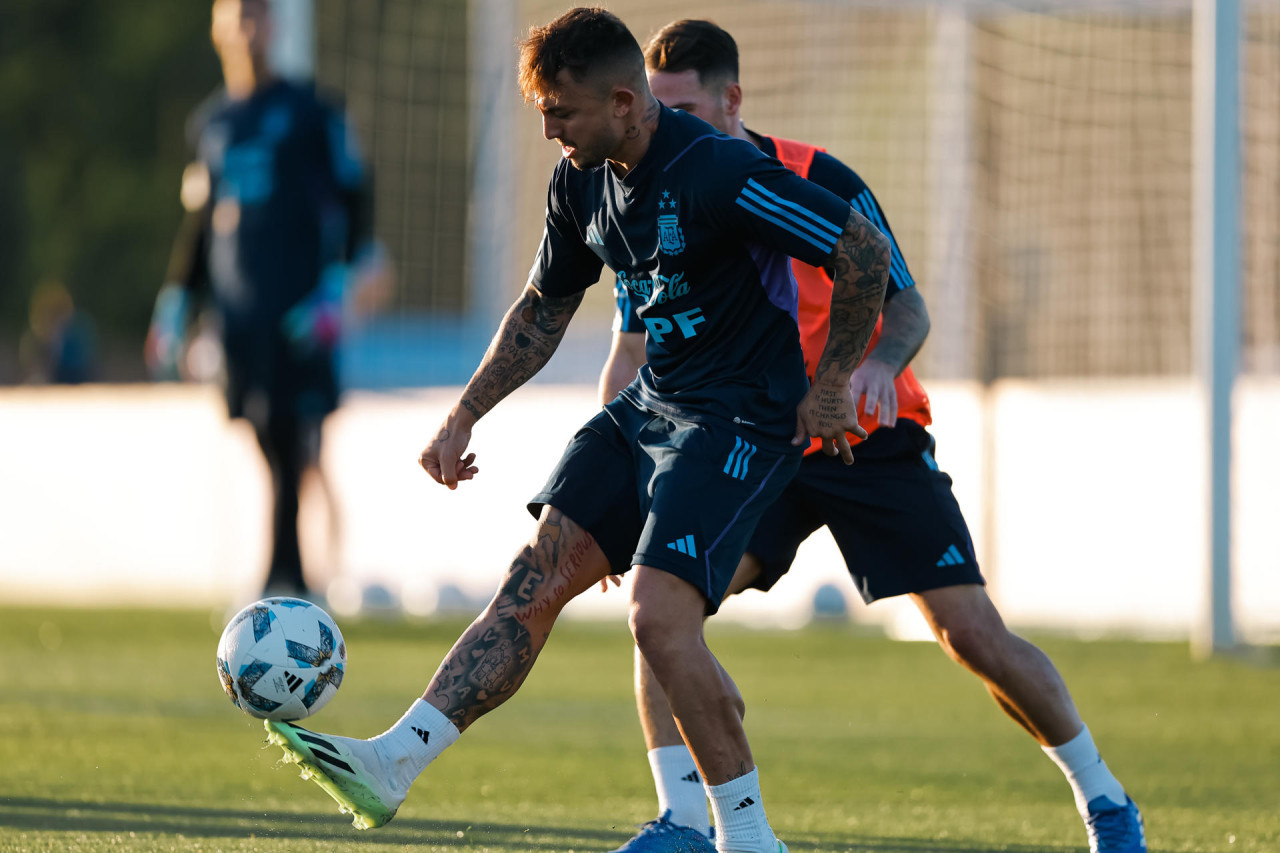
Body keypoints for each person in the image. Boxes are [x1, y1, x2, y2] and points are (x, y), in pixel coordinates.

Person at [259, 9, 891, 853]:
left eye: (563, 112)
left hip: (740, 413)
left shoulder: (720, 171)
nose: (549, 128)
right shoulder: (578, 180)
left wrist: (832, 382)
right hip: (653, 404)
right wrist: (465, 413)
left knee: (657, 616)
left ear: (627, 103)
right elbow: (542, 311)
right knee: (538, 573)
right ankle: (392, 764)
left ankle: (748, 839)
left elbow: (863, 252)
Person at [596, 20, 1146, 853]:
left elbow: (907, 305)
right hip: (748, 443)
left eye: (684, 110)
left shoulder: (817, 178)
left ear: (732, 100)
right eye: (653, 112)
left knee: (972, 635)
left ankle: (1104, 798)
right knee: (660, 601)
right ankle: (681, 820)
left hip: (869, 441)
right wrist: (628, 479)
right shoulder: (653, 199)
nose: (662, 129)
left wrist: (877, 367)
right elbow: (631, 351)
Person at [147, 0, 382, 600]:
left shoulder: (312, 112)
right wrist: (177, 301)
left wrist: (338, 289)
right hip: (238, 322)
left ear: (272, 27)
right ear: (218, 28)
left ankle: (290, 582)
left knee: (291, 436)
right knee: (268, 439)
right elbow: (201, 224)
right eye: (235, 16)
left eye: (256, 15)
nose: (246, 28)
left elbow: (357, 200)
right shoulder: (212, 124)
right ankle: (293, 576)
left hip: (299, 318)